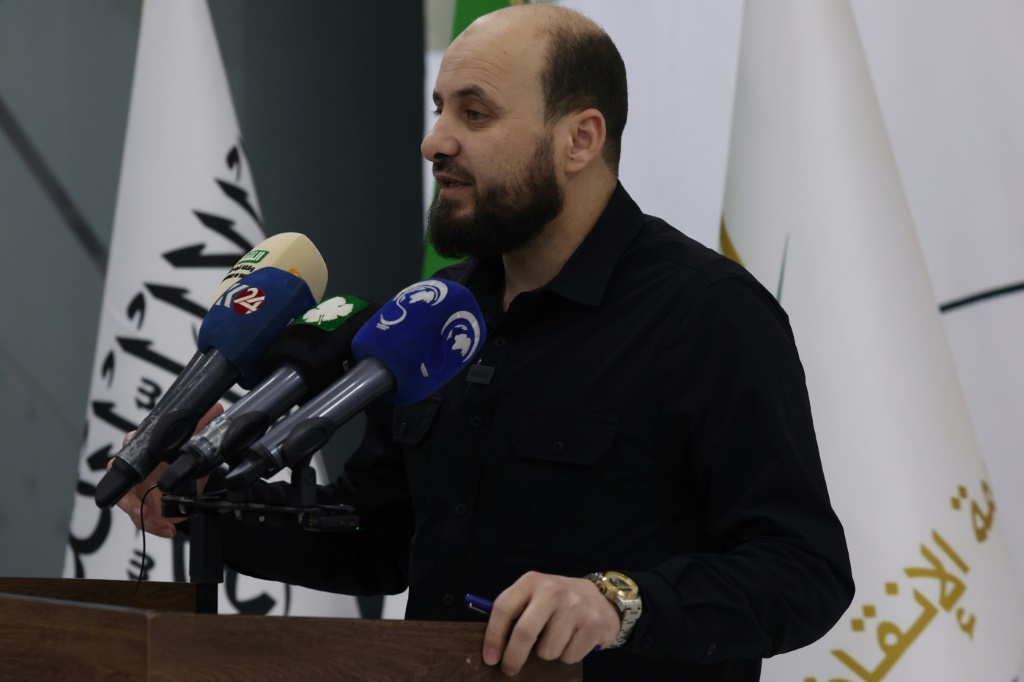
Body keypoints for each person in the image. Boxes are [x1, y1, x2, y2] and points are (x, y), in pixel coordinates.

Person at [115, 5, 854, 680]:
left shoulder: (707, 314)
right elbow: (380, 538)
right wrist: (208, 502)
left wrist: (619, 602)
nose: (435, 141)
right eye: (440, 109)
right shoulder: (433, 315)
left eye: (475, 113)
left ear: (580, 139)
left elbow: (803, 569)